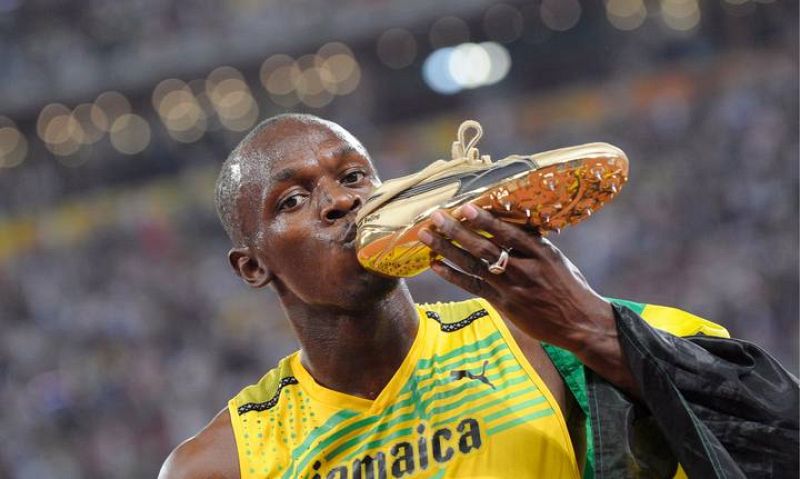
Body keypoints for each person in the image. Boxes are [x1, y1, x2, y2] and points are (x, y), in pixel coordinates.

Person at [159, 114, 798, 479]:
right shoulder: (223, 463)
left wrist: (589, 326)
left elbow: (776, 428)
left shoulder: (538, 340)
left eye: (353, 176)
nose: (340, 201)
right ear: (252, 266)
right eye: (293, 200)